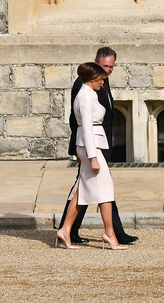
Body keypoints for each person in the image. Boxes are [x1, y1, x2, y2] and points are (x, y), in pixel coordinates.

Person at [57, 47, 137, 246]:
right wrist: (84, 152)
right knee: (104, 189)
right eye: (104, 68)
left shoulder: (99, 84)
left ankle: (67, 229)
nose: (107, 72)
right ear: (94, 66)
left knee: (81, 189)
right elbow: (80, 123)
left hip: (97, 144)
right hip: (89, 146)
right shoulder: (84, 89)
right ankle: (111, 233)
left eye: (111, 67)